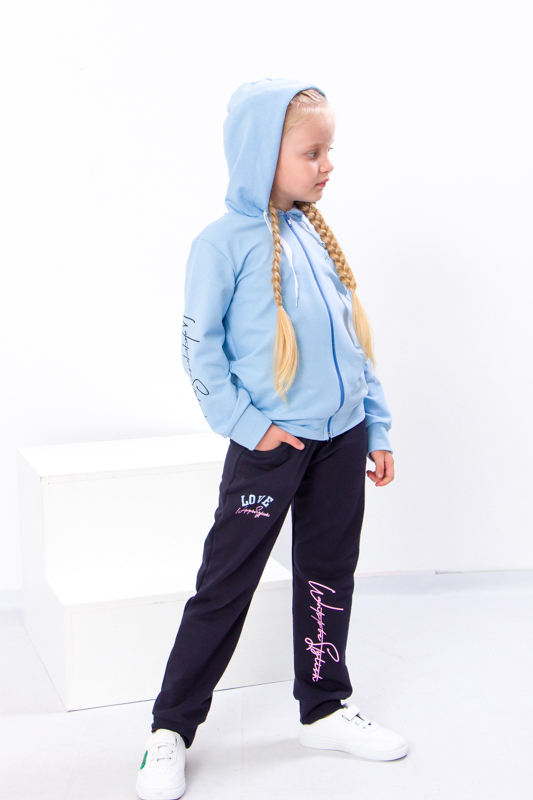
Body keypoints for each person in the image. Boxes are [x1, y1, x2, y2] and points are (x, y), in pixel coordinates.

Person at [136, 77, 408, 800]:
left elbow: (354, 344)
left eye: (329, 151)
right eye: (311, 152)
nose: (327, 165)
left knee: (328, 574)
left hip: (342, 439)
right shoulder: (221, 244)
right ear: (263, 153)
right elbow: (200, 350)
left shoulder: (315, 236)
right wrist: (249, 426)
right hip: (270, 446)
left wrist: (375, 424)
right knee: (225, 584)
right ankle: (169, 729)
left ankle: (324, 708)